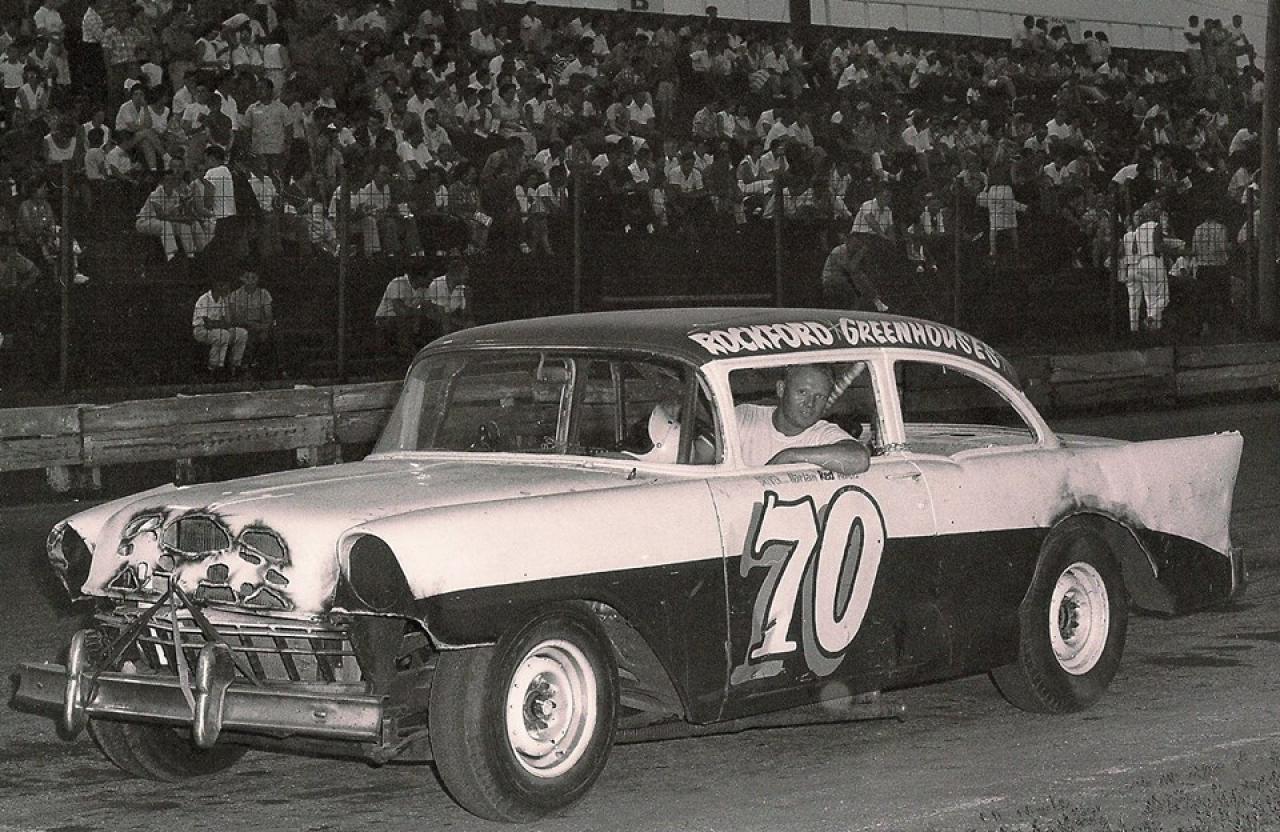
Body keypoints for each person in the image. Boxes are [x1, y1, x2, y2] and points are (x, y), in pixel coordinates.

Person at [734, 364, 870, 474]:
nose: (810, 403)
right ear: (781, 389)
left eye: (820, 397)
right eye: (802, 392)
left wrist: (790, 456)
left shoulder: (822, 433)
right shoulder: (745, 416)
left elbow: (860, 459)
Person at [821, 228, 889, 312]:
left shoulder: (853, 252)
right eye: (855, 242)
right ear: (849, 241)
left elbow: (861, 270)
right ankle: (875, 301)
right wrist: (861, 253)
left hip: (846, 280)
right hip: (832, 280)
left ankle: (875, 300)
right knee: (857, 283)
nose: (857, 244)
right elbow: (851, 269)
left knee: (861, 279)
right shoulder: (840, 250)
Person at [192, 277, 247, 375]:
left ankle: (235, 365)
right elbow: (208, 324)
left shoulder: (222, 300)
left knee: (241, 333)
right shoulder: (204, 299)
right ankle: (214, 367)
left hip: (219, 329)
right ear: (215, 286)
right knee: (222, 334)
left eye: (226, 286)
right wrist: (221, 324)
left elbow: (227, 321)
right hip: (201, 330)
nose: (225, 289)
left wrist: (227, 302)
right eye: (222, 286)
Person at [225, 270, 274, 371]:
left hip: (260, 325)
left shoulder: (264, 293)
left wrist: (264, 329)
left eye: (254, 278)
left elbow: (268, 315)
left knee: (274, 336)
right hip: (244, 325)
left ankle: (276, 369)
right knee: (247, 336)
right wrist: (250, 324)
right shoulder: (235, 295)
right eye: (247, 278)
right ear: (242, 279)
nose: (250, 281)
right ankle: (243, 367)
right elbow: (235, 317)